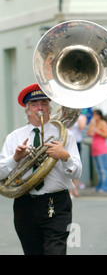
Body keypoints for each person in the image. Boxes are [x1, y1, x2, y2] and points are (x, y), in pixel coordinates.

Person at [0, 83, 82, 255]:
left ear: (50, 108)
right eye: (34, 104)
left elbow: (77, 172)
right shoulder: (14, 137)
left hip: (57, 203)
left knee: (55, 251)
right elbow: (1, 174)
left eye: (44, 103)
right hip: (25, 203)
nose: (40, 108)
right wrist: (15, 158)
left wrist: (64, 156)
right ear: (27, 110)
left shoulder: (64, 134)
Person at [87, 109, 107, 193]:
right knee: (98, 170)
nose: (94, 117)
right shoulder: (93, 123)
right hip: (95, 150)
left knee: (104, 169)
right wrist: (91, 124)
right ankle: (100, 185)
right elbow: (89, 133)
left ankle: (106, 187)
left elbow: (106, 135)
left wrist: (97, 130)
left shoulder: (103, 123)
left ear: (99, 115)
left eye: (95, 115)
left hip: (102, 150)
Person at [69, 113, 87, 197]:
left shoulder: (82, 117)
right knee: (68, 164)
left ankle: (75, 189)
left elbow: (81, 127)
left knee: (77, 164)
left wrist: (77, 119)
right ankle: (69, 190)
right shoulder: (68, 116)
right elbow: (67, 128)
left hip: (77, 142)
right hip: (69, 142)